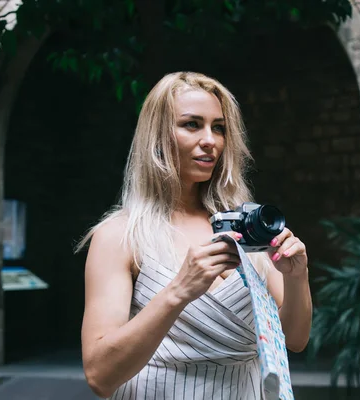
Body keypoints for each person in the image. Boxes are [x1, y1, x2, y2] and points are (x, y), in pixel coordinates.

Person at [78, 71, 312, 400]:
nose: (211, 140)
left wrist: (298, 275)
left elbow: (296, 339)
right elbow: (100, 376)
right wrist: (179, 291)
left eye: (219, 128)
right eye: (192, 124)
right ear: (157, 136)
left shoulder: (244, 225)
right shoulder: (119, 235)